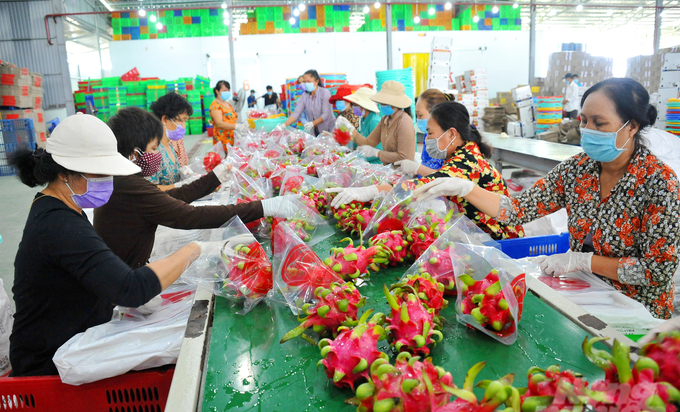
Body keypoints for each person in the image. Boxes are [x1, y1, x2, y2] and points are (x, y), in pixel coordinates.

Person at [414, 78, 680, 319]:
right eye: (584, 121)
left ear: (631, 126)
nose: (588, 130)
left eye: (599, 123)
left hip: (639, 309)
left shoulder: (659, 184)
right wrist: (466, 189)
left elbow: (657, 270)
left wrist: (582, 260)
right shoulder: (577, 169)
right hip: (586, 293)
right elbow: (517, 210)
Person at [8, 113, 207, 376]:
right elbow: (131, 289)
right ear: (67, 172)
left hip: (76, 335)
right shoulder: (57, 225)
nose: (107, 181)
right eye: (100, 173)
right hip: (50, 362)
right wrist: (194, 250)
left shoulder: (62, 208)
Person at [94, 107, 298, 269]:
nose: (157, 154)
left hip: (126, 267)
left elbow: (173, 196)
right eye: (154, 148)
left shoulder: (123, 180)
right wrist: (263, 208)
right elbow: (189, 216)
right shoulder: (129, 187)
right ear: (134, 153)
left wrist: (213, 178)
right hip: (126, 280)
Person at [329, 101, 524, 240]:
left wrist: (368, 191)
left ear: (452, 134)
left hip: (499, 241)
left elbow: (422, 186)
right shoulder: (462, 154)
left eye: (430, 133)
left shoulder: (467, 161)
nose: (428, 139)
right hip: (479, 234)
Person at [341, 80, 416, 165]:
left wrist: (378, 153)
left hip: (402, 172)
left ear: (393, 103)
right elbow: (368, 142)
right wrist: (351, 130)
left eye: (384, 102)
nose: (381, 104)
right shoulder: (385, 120)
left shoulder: (404, 122)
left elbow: (404, 157)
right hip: (388, 169)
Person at [395, 89, 454, 174]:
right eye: (417, 116)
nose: (418, 119)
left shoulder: (448, 141)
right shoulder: (428, 135)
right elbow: (426, 163)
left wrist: (417, 169)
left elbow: (445, 177)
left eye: (421, 115)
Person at [147, 92, 191, 188]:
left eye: (185, 121)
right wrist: (178, 186)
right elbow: (149, 190)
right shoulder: (153, 149)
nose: (184, 125)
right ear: (164, 119)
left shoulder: (170, 145)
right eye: (181, 120)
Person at [283, 69, 334, 135]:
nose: (306, 84)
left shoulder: (325, 93)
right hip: (314, 131)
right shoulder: (305, 95)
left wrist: (312, 123)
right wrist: (284, 125)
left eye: (308, 81)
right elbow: (296, 113)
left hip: (328, 130)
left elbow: (325, 114)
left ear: (316, 81)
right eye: (305, 82)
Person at [210, 80, 249, 152]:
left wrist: (241, 125)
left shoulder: (227, 104)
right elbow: (219, 123)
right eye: (224, 90)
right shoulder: (215, 105)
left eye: (228, 90)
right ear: (217, 91)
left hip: (232, 139)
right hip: (222, 141)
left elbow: (232, 119)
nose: (227, 92)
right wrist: (236, 126)